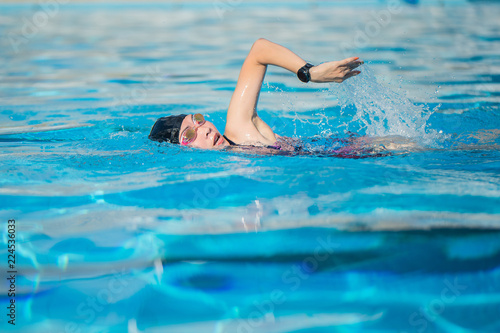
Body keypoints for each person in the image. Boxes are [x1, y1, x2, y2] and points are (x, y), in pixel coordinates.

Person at [148, 38, 363, 152]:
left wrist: (309, 73)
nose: (204, 129)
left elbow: (259, 51)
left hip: (358, 150)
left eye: (198, 120)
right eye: (189, 135)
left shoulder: (239, 131)